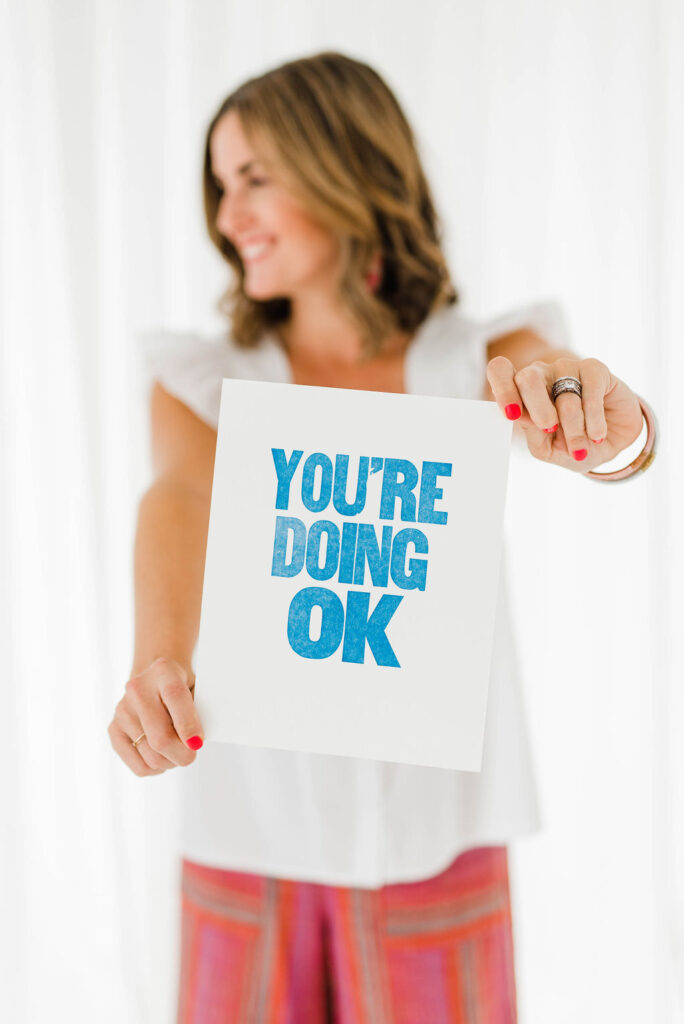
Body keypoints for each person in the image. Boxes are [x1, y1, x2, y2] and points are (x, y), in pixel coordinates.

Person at [108, 51, 652, 1023]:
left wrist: (613, 431)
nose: (227, 217)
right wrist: (156, 659)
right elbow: (181, 496)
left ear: (346, 166)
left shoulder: (474, 359)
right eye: (219, 184)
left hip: (435, 839)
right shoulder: (201, 380)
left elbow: (572, 406)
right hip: (249, 835)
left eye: (255, 178)